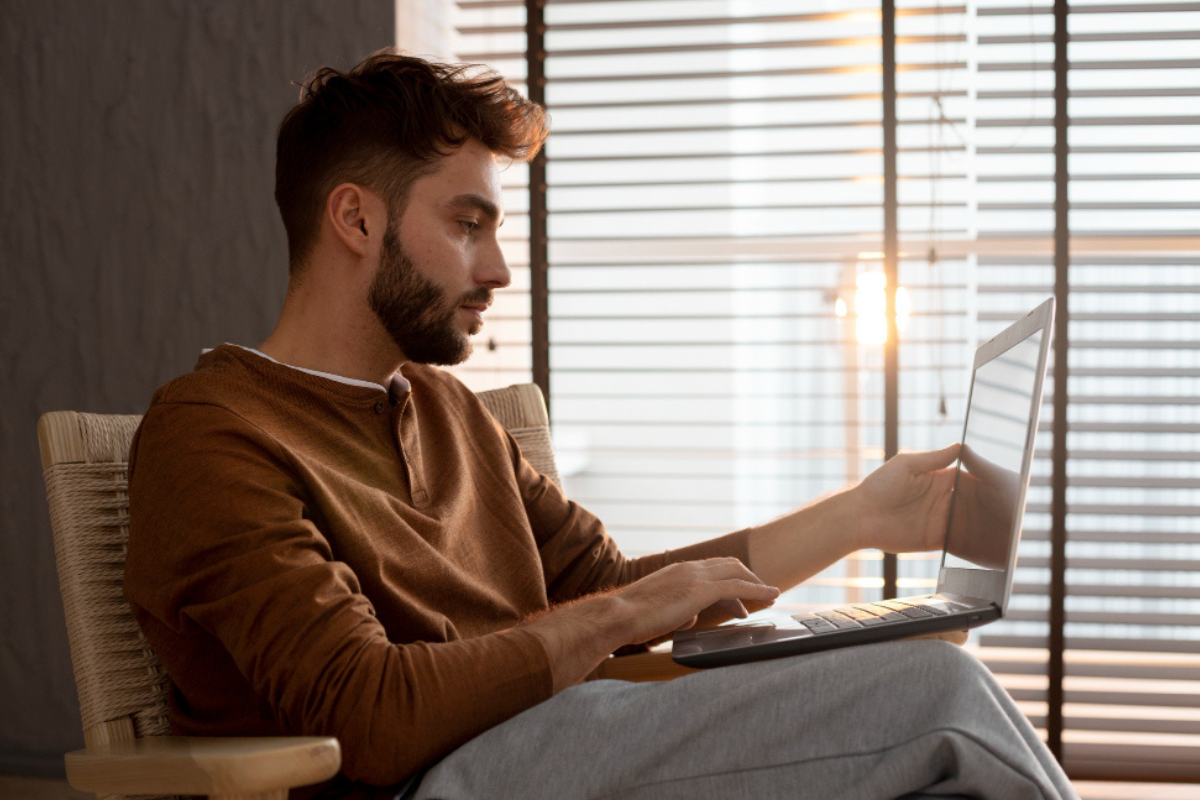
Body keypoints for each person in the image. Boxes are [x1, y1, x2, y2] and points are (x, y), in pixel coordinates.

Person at [124, 53, 1078, 800]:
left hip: (557, 749)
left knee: (926, 769)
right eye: (467, 224)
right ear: (355, 220)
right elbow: (368, 714)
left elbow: (613, 589)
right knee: (936, 698)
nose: (497, 268)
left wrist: (860, 518)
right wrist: (622, 616)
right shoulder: (214, 435)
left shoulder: (451, 413)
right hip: (423, 782)